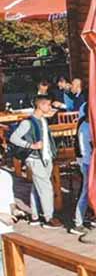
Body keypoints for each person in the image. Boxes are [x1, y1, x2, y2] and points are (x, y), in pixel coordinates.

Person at [8, 94, 56, 227]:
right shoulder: (28, 122)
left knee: (37, 186)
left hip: (45, 157)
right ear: (40, 105)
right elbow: (13, 138)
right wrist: (31, 145)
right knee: (46, 187)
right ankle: (48, 217)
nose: (50, 107)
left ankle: (35, 216)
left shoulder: (43, 120)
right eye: (47, 104)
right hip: (35, 158)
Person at [71, 104, 93, 233]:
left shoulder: (82, 123)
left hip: (85, 161)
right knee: (85, 192)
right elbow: (94, 145)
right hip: (89, 162)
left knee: (88, 191)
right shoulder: (88, 127)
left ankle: (88, 216)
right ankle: (78, 222)